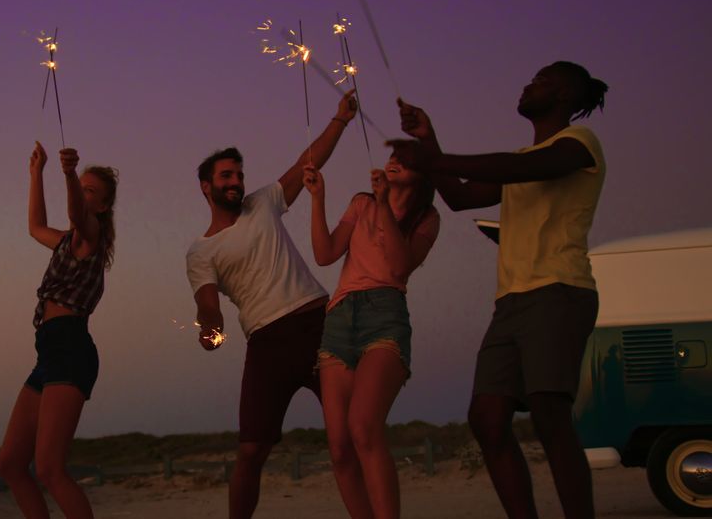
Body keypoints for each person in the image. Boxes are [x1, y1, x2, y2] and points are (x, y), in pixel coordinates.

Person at [390, 61, 608, 518]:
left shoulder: (578, 145)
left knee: (550, 415)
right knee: (487, 419)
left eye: (544, 80)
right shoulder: (520, 165)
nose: (530, 83)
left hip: (560, 291)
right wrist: (430, 141)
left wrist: (431, 160)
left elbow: (518, 167)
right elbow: (460, 197)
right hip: (511, 302)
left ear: (566, 96)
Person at [186, 90, 357, 519]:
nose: (235, 182)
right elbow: (209, 309)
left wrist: (339, 120)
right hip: (266, 344)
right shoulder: (200, 253)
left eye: (238, 175)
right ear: (206, 186)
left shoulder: (262, 202)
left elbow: (307, 163)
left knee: (352, 436)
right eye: (226, 176)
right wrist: (209, 328)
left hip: (320, 325)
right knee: (250, 450)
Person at [302, 149, 439, 518]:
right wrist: (318, 199)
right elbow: (324, 253)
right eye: (393, 154)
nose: (394, 160)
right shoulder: (360, 204)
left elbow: (398, 267)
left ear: (421, 175)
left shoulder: (426, 218)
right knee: (340, 448)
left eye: (405, 159)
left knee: (364, 426)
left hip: (385, 314)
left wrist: (384, 204)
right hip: (340, 318)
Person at [0, 141, 118, 519]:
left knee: (49, 468)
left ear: (101, 206)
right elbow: (34, 227)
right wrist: (37, 173)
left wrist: (66, 175)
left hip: (71, 348)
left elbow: (78, 216)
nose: (83, 195)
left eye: (90, 191)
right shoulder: (66, 242)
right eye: (81, 186)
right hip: (48, 353)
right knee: (11, 463)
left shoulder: (91, 234)